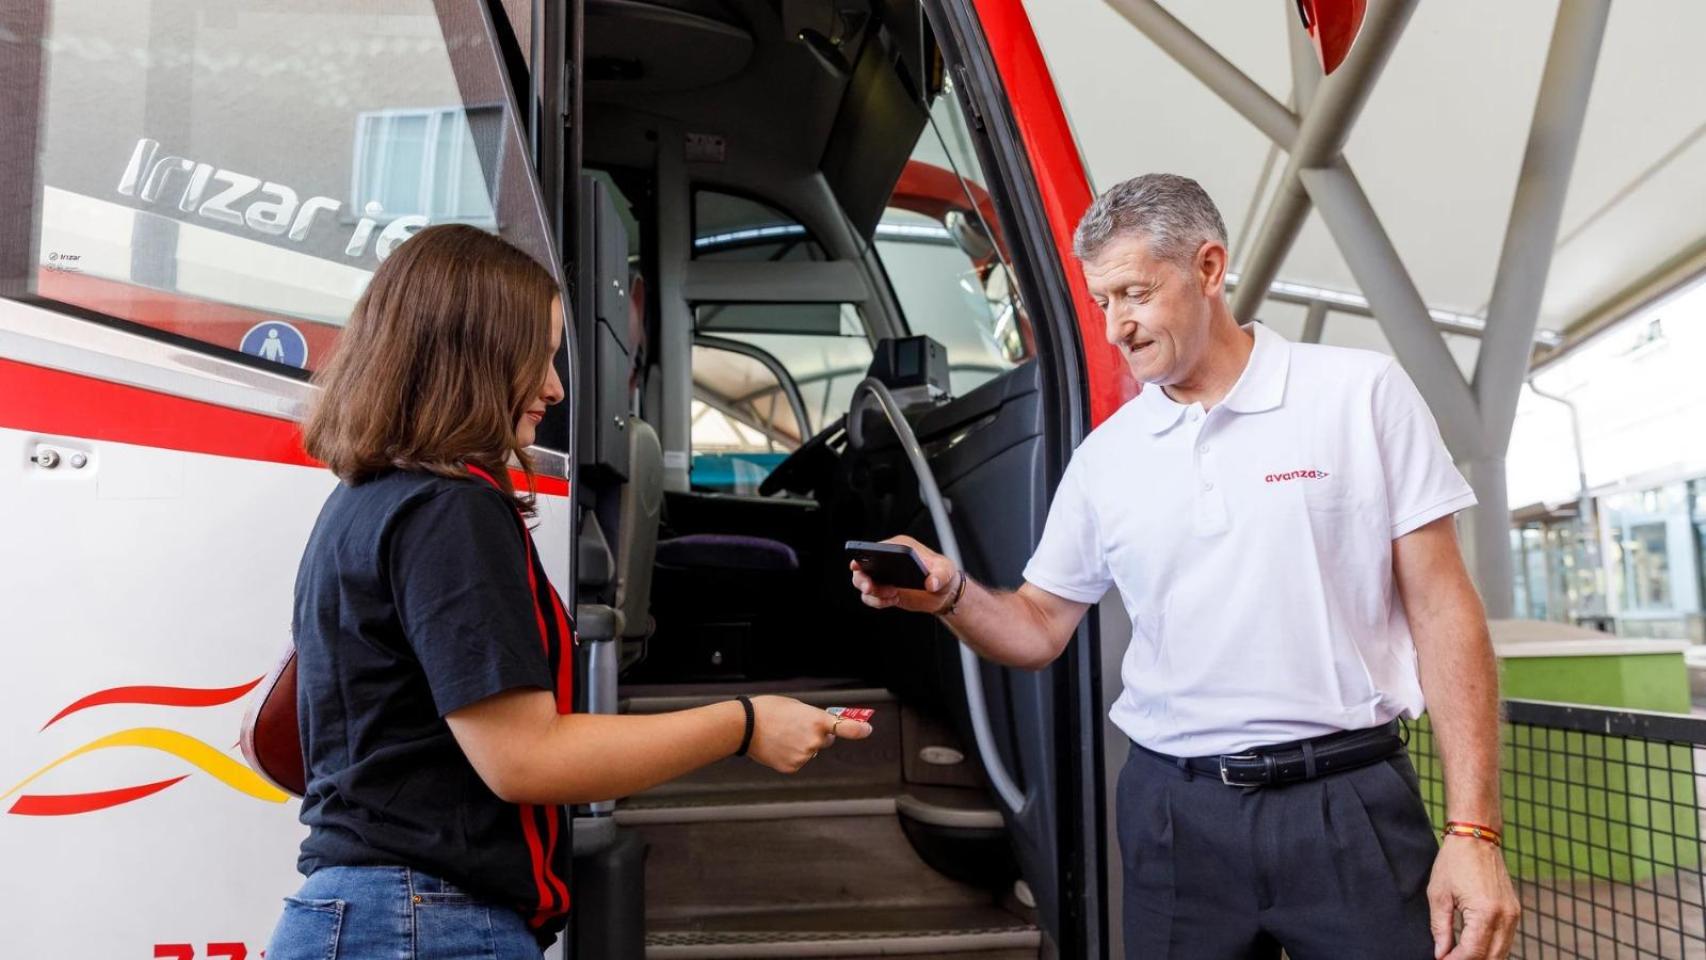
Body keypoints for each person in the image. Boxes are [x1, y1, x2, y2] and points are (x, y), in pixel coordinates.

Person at [851, 175, 1519, 960]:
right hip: (1176, 816)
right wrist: (950, 594)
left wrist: (1474, 830)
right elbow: (1036, 628)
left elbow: (1445, 610)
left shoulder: (1358, 395)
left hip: (1347, 806)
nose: (1115, 328)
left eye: (1134, 292)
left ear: (1208, 269)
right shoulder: (1107, 457)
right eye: (1102, 302)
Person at [266, 224, 871, 960]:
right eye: (540, 356)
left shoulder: (366, 499)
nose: (553, 389)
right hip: (425, 925)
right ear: (473, 355)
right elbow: (525, 758)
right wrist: (741, 725)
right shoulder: (449, 510)